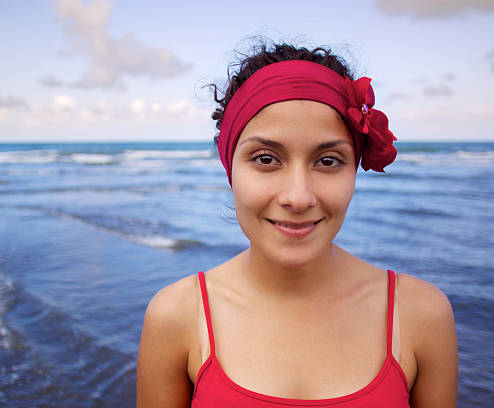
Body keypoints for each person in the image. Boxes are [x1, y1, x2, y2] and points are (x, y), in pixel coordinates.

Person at [136, 42, 458, 407]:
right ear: (230, 169)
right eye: (266, 158)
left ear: (355, 170)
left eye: (328, 161)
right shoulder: (176, 315)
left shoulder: (421, 314)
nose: (298, 196)